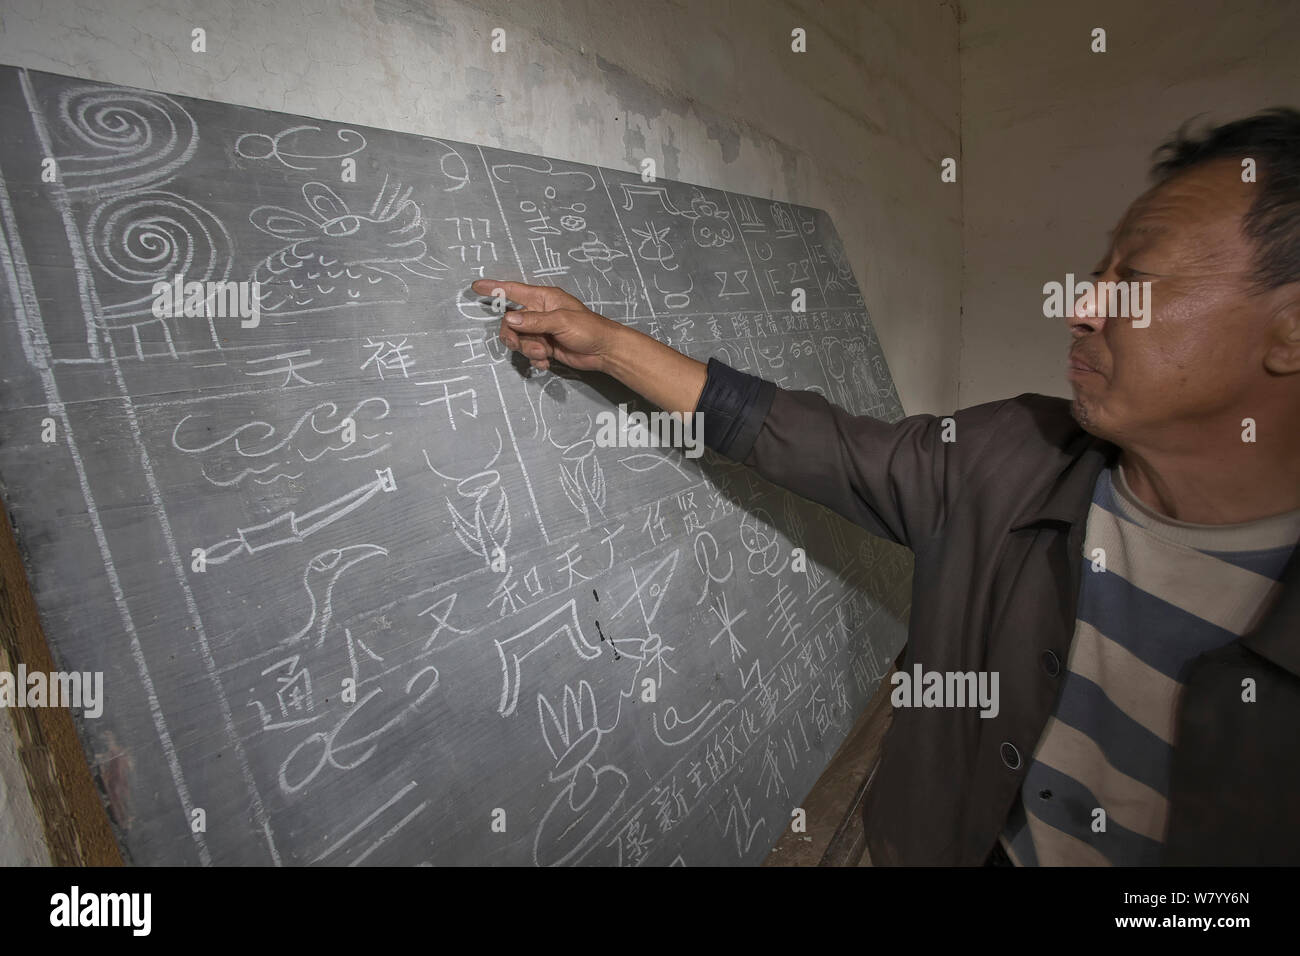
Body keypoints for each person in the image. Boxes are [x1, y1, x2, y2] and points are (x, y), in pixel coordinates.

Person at [470, 107, 1300, 866]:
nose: (1082, 306)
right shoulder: (1013, 455)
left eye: (1138, 282)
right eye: (1096, 271)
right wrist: (608, 346)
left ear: (1290, 331)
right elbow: (800, 439)